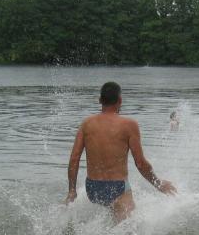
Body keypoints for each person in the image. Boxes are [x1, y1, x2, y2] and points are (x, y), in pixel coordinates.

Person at [64, 82, 176, 222]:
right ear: (120, 100)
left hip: (92, 188)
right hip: (117, 187)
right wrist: (158, 183)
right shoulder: (129, 125)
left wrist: (72, 191)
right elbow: (140, 163)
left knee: (109, 223)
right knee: (128, 230)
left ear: (100, 100)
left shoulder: (86, 124)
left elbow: (74, 159)